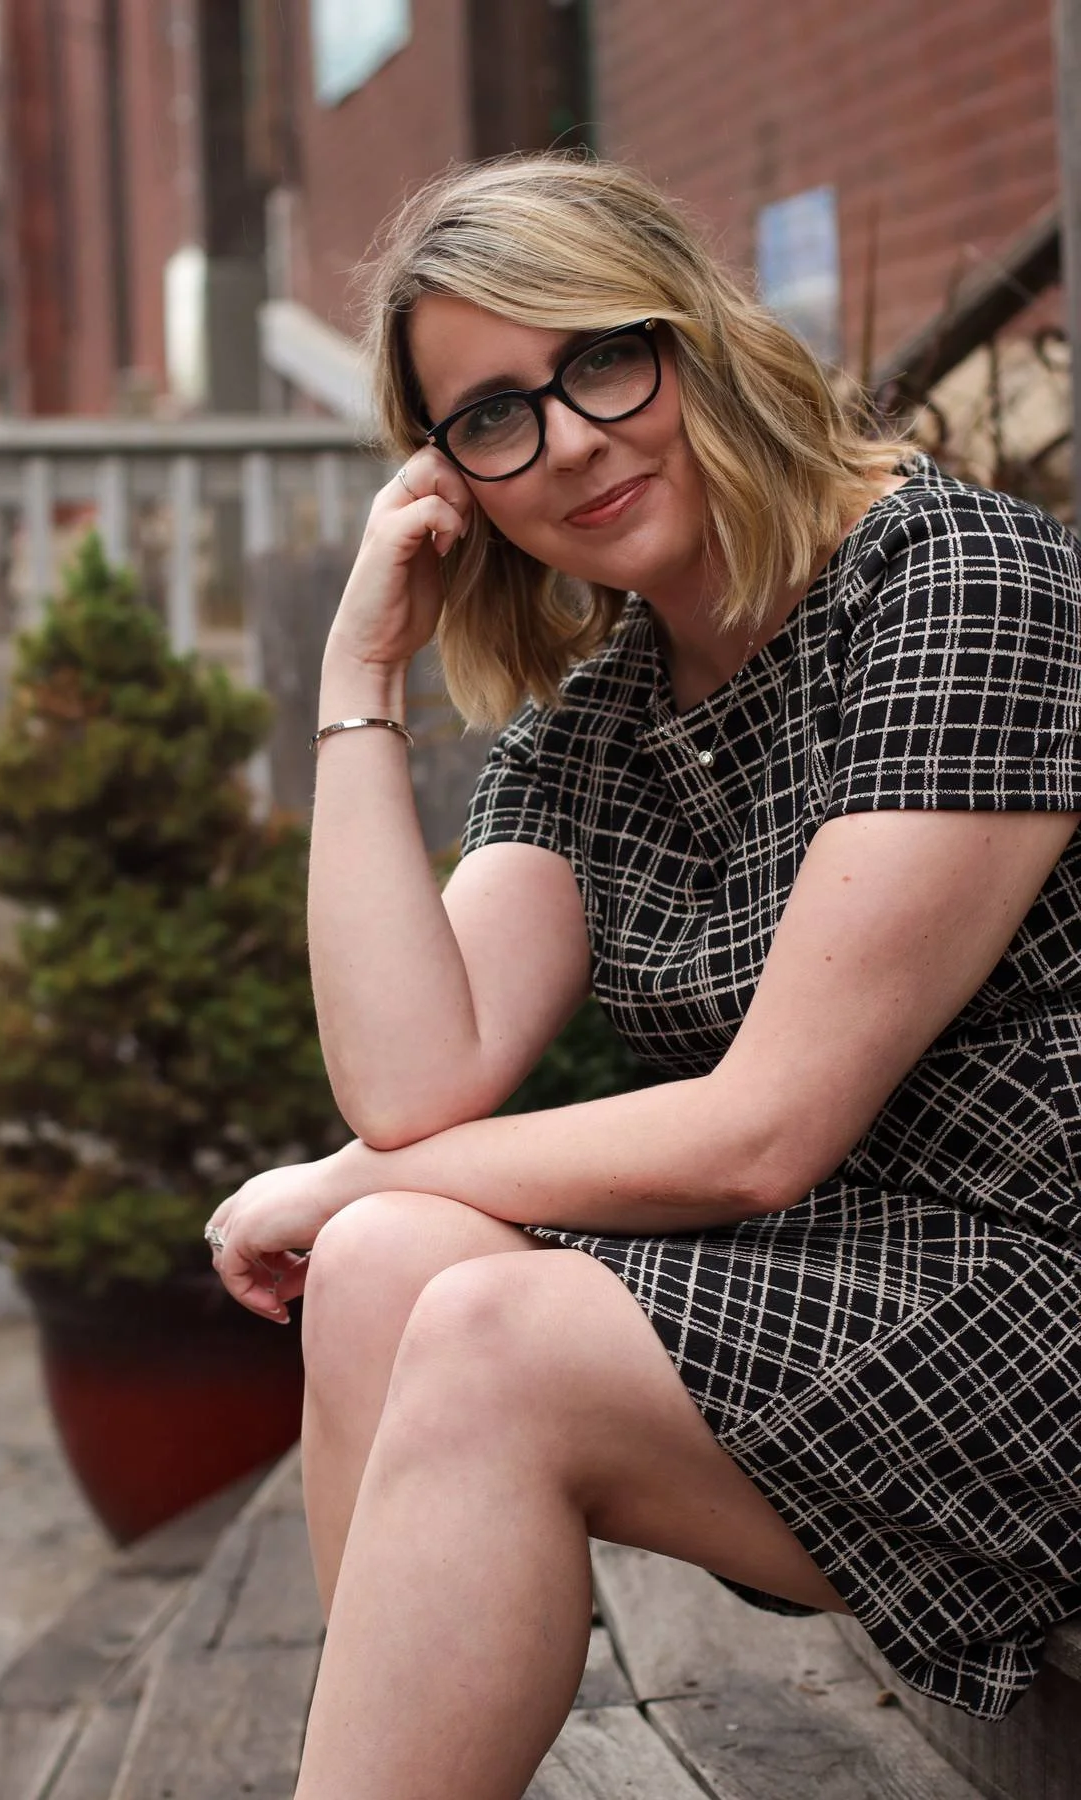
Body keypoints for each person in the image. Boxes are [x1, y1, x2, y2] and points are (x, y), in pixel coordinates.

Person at [203, 153, 1081, 1797]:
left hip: (1034, 1299)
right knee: (393, 1259)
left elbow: (763, 1134)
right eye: (492, 417)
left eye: (599, 357)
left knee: (473, 1323)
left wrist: (328, 1182)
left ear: (695, 331)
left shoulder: (962, 588)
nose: (572, 442)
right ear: (451, 476)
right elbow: (412, 1085)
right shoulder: (609, 713)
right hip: (832, 1301)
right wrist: (360, 673)